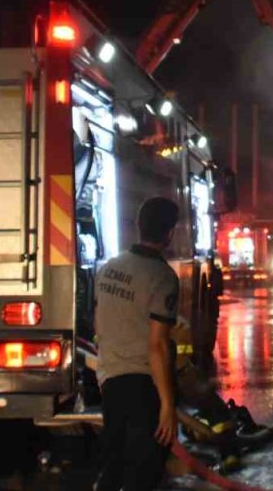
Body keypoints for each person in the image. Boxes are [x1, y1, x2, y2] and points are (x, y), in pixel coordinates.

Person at [94, 197, 181, 491]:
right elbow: (157, 345)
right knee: (145, 469)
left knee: (114, 463)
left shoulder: (108, 268)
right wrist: (168, 406)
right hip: (142, 383)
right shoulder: (162, 277)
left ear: (137, 226)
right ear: (170, 233)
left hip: (108, 379)